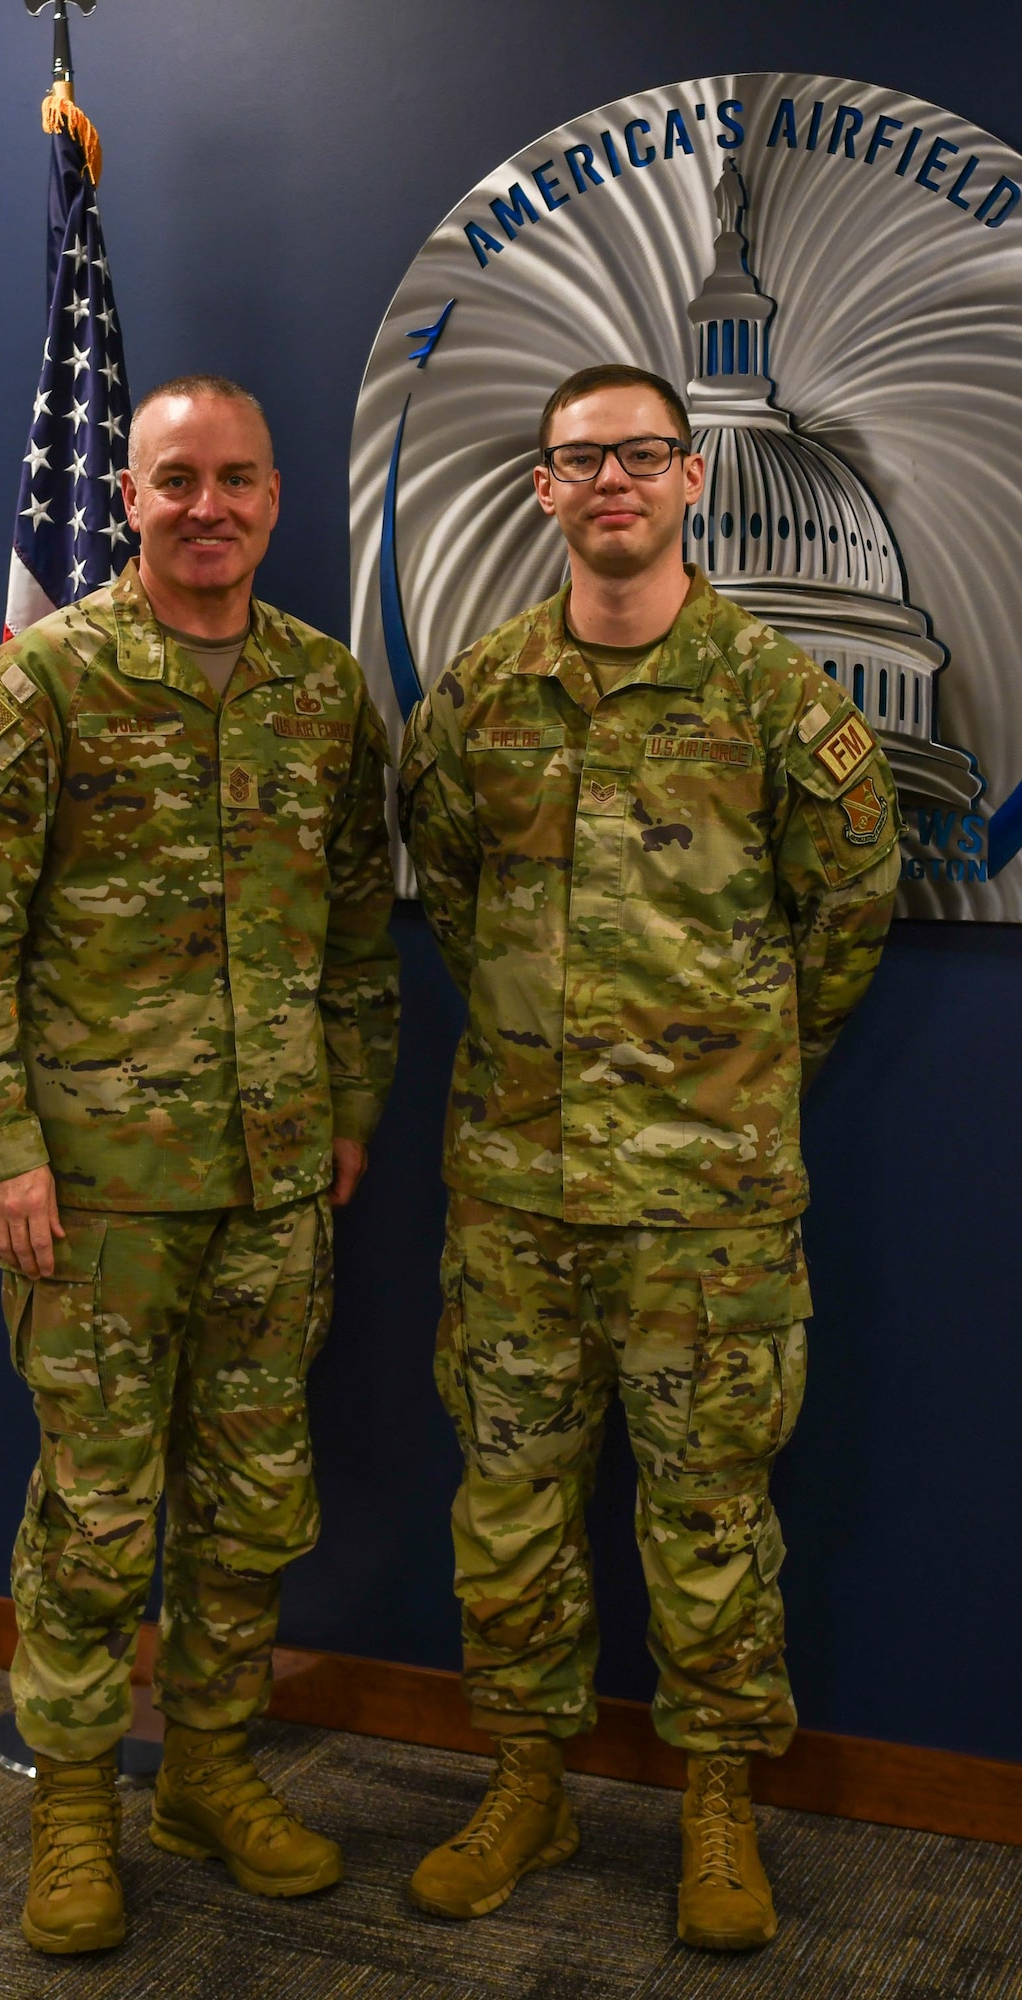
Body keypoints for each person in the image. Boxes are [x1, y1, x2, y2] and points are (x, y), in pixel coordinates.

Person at [399, 362, 899, 1951]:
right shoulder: (475, 702)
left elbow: (846, 918)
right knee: (510, 1507)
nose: (609, 481)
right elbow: (459, 904)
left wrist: (727, 1076)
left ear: (688, 482)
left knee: (708, 1518)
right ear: (541, 492)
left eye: (640, 456)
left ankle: (715, 1810)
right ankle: (528, 1783)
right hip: (516, 1199)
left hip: (710, 1208)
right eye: (577, 460)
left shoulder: (775, 702)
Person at [0, 375, 398, 1956]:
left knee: (253, 1514)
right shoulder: (37, 688)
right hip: (93, 1196)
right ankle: (71, 1806)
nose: (209, 508)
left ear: (271, 498)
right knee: (98, 1521)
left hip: (271, 1191)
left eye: (236, 480)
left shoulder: (324, 695)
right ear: (128, 497)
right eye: (176, 480)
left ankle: (212, 1776)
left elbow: (358, 944)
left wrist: (347, 1112)